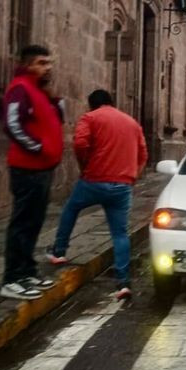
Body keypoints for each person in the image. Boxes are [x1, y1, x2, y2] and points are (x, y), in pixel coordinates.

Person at [45, 90, 148, 301]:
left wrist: (85, 165)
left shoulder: (90, 117)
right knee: (120, 233)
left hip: (93, 180)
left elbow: (80, 143)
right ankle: (123, 282)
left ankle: (59, 251)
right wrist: (133, 176)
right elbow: (143, 153)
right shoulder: (131, 123)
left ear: (92, 105)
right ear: (111, 102)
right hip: (122, 185)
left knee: (71, 209)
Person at [0, 45, 65, 300]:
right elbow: (12, 124)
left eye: (49, 62)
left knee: (34, 222)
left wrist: (54, 97)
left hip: (43, 168)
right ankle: (12, 278)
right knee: (22, 223)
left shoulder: (40, 91)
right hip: (27, 168)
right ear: (28, 65)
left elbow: (58, 120)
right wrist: (38, 148)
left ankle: (27, 271)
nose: (47, 67)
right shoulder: (20, 88)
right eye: (41, 62)